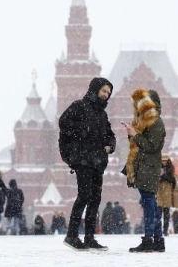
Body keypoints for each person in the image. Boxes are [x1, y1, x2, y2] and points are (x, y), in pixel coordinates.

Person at [59, 77, 116, 251]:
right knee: (84, 195)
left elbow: (109, 134)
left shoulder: (102, 113)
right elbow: (63, 122)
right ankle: (71, 235)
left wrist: (110, 145)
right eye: (104, 91)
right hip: (82, 159)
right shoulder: (79, 106)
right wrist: (82, 131)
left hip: (98, 161)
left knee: (95, 199)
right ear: (95, 89)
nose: (106, 95)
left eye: (108, 93)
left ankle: (90, 237)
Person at [123, 88, 166, 253]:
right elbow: (139, 144)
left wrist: (135, 135)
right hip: (143, 167)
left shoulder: (156, 123)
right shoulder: (146, 121)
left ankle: (149, 240)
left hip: (149, 168)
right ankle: (157, 240)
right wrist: (131, 133)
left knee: (149, 206)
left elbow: (151, 147)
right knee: (150, 204)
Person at [156, 153, 178, 236]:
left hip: (168, 193)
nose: (164, 162)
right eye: (163, 160)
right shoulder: (156, 168)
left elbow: (174, 181)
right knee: (158, 214)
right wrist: (161, 178)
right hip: (159, 192)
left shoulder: (171, 169)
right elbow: (154, 180)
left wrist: (167, 178)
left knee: (166, 215)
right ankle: (158, 230)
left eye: (165, 160)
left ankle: (165, 230)